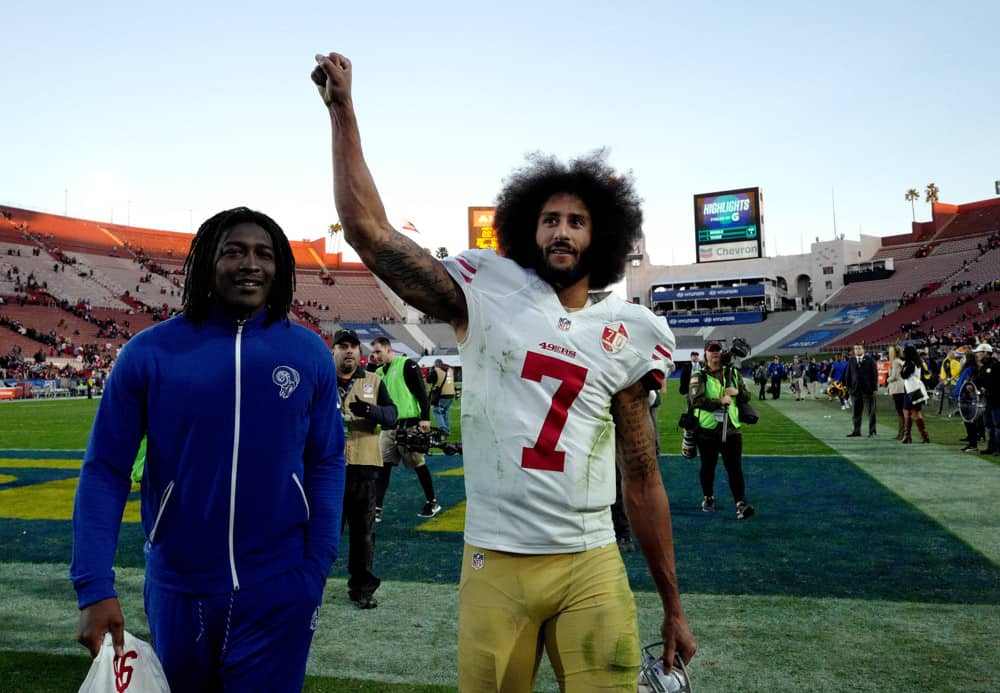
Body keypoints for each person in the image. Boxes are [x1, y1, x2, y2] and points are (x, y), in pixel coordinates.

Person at [313, 51, 696, 689]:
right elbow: (370, 231)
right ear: (527, 228)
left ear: (600, 237)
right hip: (496, 557)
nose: (562, 232)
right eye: (550, 219)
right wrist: (343, 112)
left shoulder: (632, 332)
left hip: (592, 558)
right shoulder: (486, 289)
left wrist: (674, 605)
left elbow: (643, 475)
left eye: (577, 221)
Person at [71, 207, 346, 691]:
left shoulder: (308, 354)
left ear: (280, 266)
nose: (250, 263)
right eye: (233, 251)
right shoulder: (150, 352)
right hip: (181, 589)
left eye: (264, 253)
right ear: (207, 263)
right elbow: (106, 470)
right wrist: (94, 586)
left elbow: (326, 461)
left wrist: (317, 565)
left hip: (281, 586)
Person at [333, 328, 397, 609]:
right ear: (333, 351)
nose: (349, 351)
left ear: (360, 352)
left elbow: (392, 416)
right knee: (322, 533)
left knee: (363, 533)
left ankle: (361, 588)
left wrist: (370, 411)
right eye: (343, 346)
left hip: (364, 467)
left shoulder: (373, 380)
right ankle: (309, 586)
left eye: (353, 347)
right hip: (328, 468)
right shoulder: (322, 381)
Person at [369, 336, 441, 520]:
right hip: (388, 427)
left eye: (378, 351)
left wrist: (425, 418)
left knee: (418, 464)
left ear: (388, 350)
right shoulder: (378, 372)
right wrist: (370, 366)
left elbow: (421, 393)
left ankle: (432, 501)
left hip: (409, 425)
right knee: (382, 468)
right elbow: (367, 386)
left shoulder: (407, 365)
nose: (375, 355)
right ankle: (376, 508)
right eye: (373, 352)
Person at [687, 340, 755, 519]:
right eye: (711, 350)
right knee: (708, 467)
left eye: (717, 349)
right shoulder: (699, 376)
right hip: (707, 430)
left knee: (735, 468)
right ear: (706, 354)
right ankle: (708, 497)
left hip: (732, 429)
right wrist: (719, 402)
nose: (715, 352)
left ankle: (741, 504)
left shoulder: (733, 372)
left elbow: (747, 396)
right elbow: (695, 401)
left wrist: (737, 392)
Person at [843, 343, 878, 437]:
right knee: (856, 413)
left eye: (859, 348)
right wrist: (849, 388)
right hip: (855, 391)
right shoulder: (851, 360)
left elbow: (874, 375)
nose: (857, 350)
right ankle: (856, 431)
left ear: (863, 350)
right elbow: (848, 375)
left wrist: (873, 388)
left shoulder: (870, 360)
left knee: (871, 412)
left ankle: (872, 431)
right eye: (855, 349)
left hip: (868, 390)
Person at [973, 343, 1000, 455]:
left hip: (996, 400)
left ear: (985, 352)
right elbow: (978, 380)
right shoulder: (983, 366)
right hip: (987, 401)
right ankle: (992, 447)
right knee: (989, 425)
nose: (977, 355)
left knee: (997, 425)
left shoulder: (996, 365)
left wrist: (987, 388)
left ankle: (998, 448)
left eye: (979, 352)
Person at [900, 345, 930, 444]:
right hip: (914, 389)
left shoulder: (910, 364)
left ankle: (913, 436)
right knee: (911, 412)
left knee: (912, 413)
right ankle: (913, 435)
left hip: (911, 390)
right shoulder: (917, 362)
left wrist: (902, 368)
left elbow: (904, 375)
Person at [425, 357, 456, 435]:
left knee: (437, 411)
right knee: (445, 412)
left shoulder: (436, 370)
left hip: (442, 395)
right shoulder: (450, 369)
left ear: (436, 365)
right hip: (451, 394)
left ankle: (443, 429)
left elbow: (428, 380)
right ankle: (447, 430)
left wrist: (431, 371)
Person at [886, 345, 907, 440]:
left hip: (897, 388)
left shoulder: (895, 362)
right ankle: (902, 433)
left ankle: (902, 433)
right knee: (902, 411)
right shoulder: (900, 361)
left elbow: (894, 376)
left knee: (900, 412)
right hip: (902, 387)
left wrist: (888, 379)